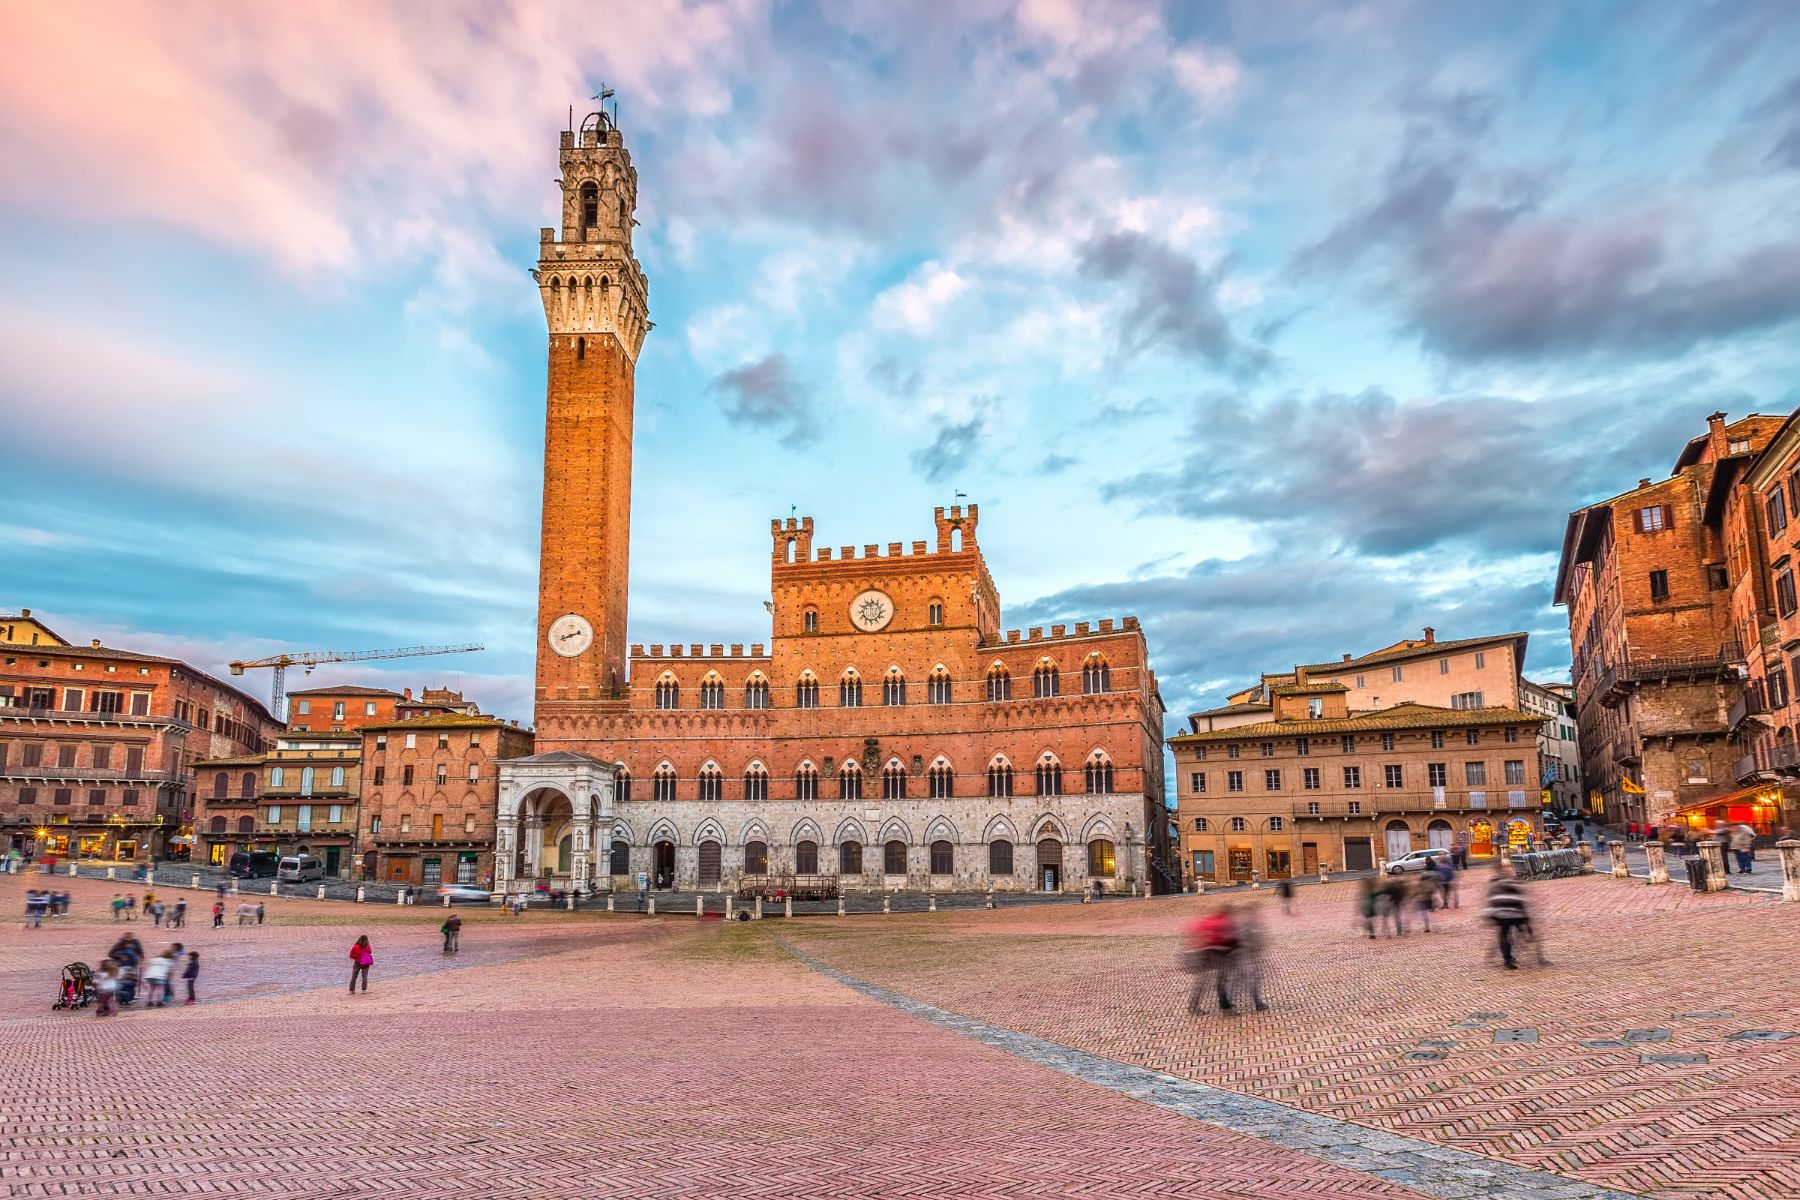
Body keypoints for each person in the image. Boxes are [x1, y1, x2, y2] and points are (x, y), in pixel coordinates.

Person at [1183, 905, 1238, 1013]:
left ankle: (1223, 1003)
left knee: (1213, 980)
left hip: (1206, 954)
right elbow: (1225, 939)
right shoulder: (1223, 922)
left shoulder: (1213, 920)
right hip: (1211, 954)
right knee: (1211, 981)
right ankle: (1194, 1007)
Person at [1483, 875, 1530, 969]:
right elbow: (1520, 905)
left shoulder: (1494, 890)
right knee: (1508, 937)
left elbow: (1491, 904)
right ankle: (1507, 958)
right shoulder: (1513, 889)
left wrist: (1491, 917)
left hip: (1502, 917)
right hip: (1512, 916)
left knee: (1504, 937)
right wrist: (1526, 921)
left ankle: (1507, 957)